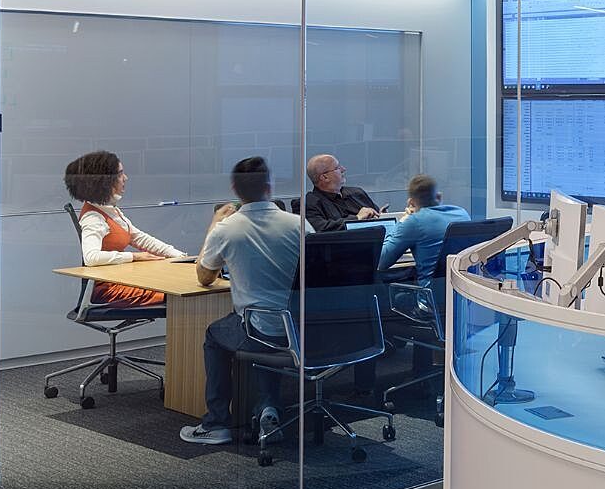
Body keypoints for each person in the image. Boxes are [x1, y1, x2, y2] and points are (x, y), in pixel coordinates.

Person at [180, 156, 308, 446]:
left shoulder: (227, 229)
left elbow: (204, 276)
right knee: (265, 332)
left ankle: (216, 423)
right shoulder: (298, 223)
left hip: (260, 328)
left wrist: (214, 223)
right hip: (301, 327)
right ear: (269, 186)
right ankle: (267, 407)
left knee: (217, 334)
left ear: (235, 191)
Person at [64, 150, 187, 308]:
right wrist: (135, 257)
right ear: (105, 181)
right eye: (120, 174)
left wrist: (180, 256)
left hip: (119, 281)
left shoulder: (109, 210)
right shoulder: (93, 218)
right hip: (109, 290)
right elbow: (91, 258)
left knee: (176, 285)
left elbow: (139, 238)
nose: (125, 178)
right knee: (178, 293)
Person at [378, 174, 470, 278]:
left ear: (411, 202)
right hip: (460, 290)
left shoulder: (414, 222)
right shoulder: (462, 214)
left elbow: (381, 262)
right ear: (439, 197)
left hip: (429, 292)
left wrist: (403, 221)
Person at [300, 153, 381, 232]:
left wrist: (382, 215)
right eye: (337, 168)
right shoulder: (308, 203)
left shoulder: (357, 192)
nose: (343, 169)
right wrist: (357, 218)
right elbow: (321, 229)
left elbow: (377, 213)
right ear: (325, 177)